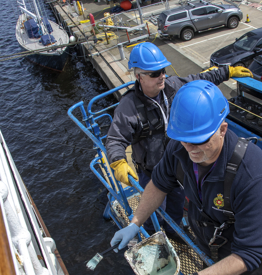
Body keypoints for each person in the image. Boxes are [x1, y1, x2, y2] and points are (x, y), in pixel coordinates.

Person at [110, 80, 262, 275]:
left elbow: (249, 254)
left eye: (199, 141)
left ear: (222, 129)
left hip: (244, 254)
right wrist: (135, 222)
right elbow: (159, 183)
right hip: (208, 242)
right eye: (184, 140)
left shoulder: (251, 172)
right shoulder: (180, 149)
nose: (191, 149)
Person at [106, 42, 252, 238]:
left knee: (176, 206)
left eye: (163, 70)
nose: (162, 76)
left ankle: (173, 233)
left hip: (177, 165)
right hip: (151, 172)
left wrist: (227, 72)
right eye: (155, 73)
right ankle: (151, 238)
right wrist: (118, 162)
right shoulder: (129, 106)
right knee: (153, 212)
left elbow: (200, 79)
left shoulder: (172, 87)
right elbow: (115, 139)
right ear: (138, 76)